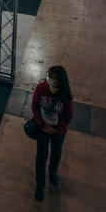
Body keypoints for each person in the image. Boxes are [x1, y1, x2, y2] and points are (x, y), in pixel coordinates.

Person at [32, 65, 74, 201]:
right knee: (41, 155)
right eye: (49, 77)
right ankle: (40, 185)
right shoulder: (41, 88)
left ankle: (53, 171)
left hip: (57, 131)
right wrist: (41, 123)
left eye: (54, 78)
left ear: (60, 80)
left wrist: (56, 130)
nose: (50, 80)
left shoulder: (65, 96)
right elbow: (35, 106)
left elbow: (68, 117)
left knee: (56, 152)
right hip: (43, 128)